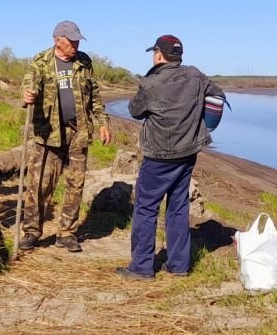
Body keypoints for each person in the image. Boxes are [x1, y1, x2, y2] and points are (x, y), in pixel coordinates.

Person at [116, 35, 226, 279]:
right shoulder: (196, 75)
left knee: (146, 208)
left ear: (158, 55)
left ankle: (142, 267)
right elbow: (218, 96)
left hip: (158, 156)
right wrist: (203, 123)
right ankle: (179, 266)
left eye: (154, 53)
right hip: (187, 153)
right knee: (178, 206)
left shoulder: (151, 83)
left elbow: (135, 111)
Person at [20, 20, 113, 252]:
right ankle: (32, 231)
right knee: (39, 184)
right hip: (48, 133)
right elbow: (30, 83)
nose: (75, 44)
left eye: (77, 40)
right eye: (71, 40)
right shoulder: (41, 60)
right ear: (57, 40)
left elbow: (95, 96)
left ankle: (67, 233)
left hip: (78, 132)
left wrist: (103, 123)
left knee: (75, 185)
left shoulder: (84, 61)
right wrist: (28, 94)